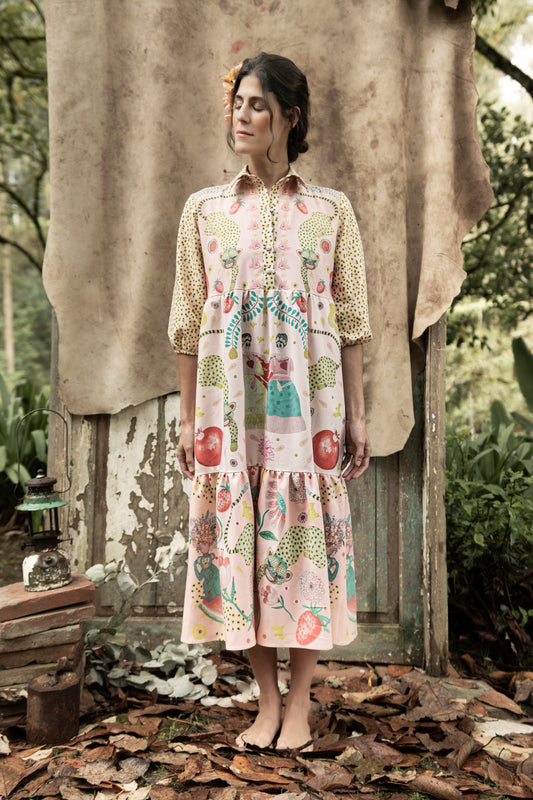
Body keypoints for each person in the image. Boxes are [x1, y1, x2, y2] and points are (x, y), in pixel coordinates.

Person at [168, 52, 372, 752]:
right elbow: (187, 319)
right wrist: (190, 416)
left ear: (290, 115)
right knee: (244, 551)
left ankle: (303, 704)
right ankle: (264, 701)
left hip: (308, 418)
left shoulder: (330, 211)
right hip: (231, 416)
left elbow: (350, 324)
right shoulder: (204, 210)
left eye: (257, 104)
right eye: (237, 104)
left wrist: (358, 415)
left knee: (302, 546)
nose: (242, 116)